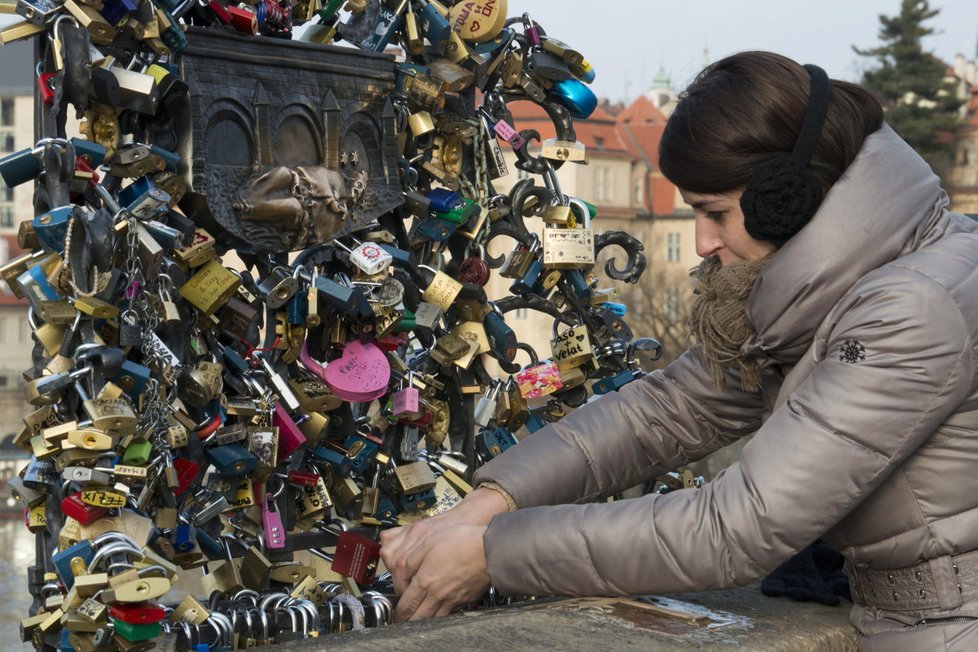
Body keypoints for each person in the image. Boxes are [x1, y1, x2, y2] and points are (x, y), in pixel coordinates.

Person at [380, 51, 978, 651]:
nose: (701, 241)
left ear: (788, 199)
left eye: (715, 212)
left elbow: (738, 528)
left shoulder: (911, 308)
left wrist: (491, 555)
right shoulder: (835, 284)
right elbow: (668, 410)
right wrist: (491, 501)